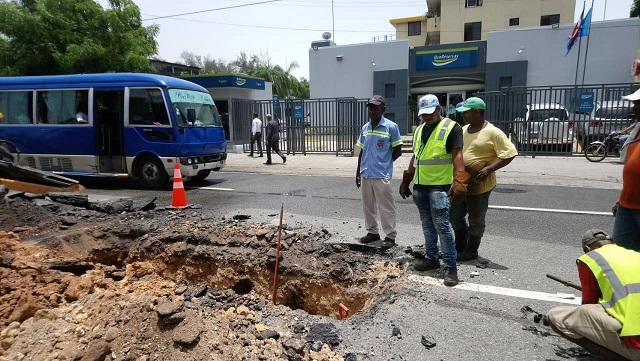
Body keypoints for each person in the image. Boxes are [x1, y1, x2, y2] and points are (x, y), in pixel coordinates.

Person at [399, 94, 469, 286]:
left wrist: (460, 180)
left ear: (438, 108)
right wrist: (407, 179)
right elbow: (416, 157)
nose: (426, 117)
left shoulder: (451, 128)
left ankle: (450, 266)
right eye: (423, 114)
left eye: (430, 112)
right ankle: (431, 258)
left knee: (442, 226)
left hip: (439, 187)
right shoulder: (420, 130)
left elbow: (458, 155)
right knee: (427, 225)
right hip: (420, 187)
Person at [547, 229, 640, 361]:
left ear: (587, 248)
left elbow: (589, 304)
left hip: (637, 346)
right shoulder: (635, 254)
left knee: (558, 316)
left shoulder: (591, 258)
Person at [450, 97, 518, 261]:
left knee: (475, 218)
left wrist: (489, 169)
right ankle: (460, 245)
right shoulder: (464, 129)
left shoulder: (493, 132)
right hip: (461, 182)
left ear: (477, 112)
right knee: (454, 215)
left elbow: (510, 153)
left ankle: (471, 250)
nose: (463, 115)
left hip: (479, 185)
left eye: (466, 112)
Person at [355, 95, 403, 249]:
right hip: (366, 173)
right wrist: (358, 172)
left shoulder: (391, 127)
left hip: (381, 174)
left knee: (386, 206)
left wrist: (385, 163)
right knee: (367, 205)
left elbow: (398, 151)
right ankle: (372, 232)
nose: (373, 111)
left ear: (383, 109)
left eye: (376, 108)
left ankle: (390, 236)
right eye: (371, 108)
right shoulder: (365, 128)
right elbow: (361, 151)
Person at [611, 90, 640, 252]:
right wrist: (621, 199)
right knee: (621, 254)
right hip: (627, 204)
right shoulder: (637, 130)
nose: (634, 108)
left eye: (638, 103)